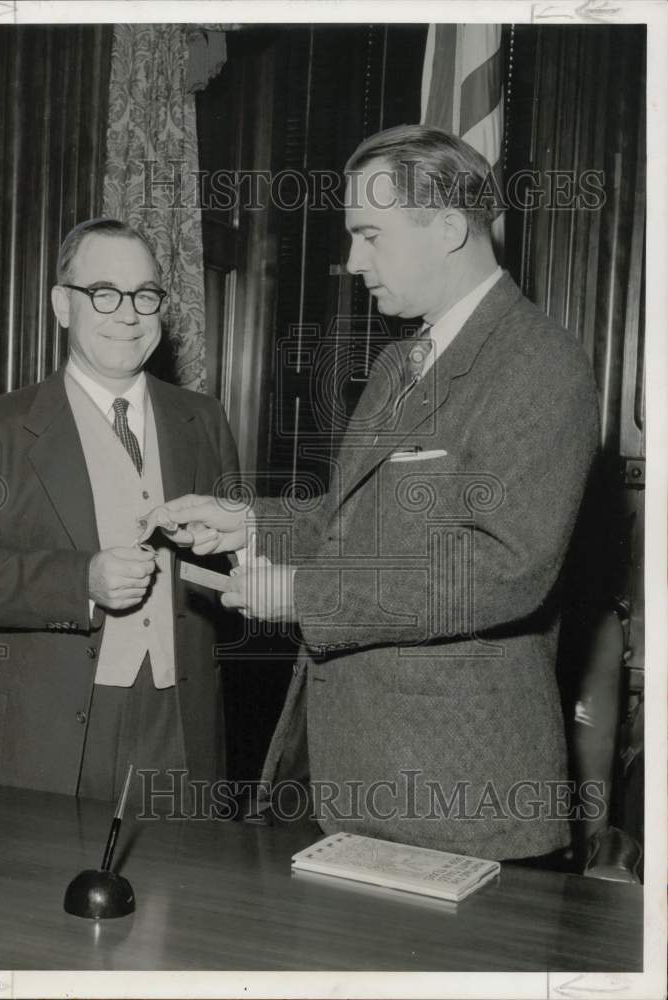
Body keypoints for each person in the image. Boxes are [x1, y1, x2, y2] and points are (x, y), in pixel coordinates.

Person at [137, 125, 600, 860]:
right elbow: (350, 520)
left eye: (370, 235)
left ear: (448, 227)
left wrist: (303, 597)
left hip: (456, 795)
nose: (352, 262)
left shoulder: (539, 364)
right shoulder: (397, 362)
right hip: (346, 773)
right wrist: (247, 523)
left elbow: (500, 570)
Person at [0, 218, 239, 804]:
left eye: (145, 295)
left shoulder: (205, 419)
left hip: (180, 725)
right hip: (39, 737)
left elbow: (229, 570)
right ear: (63, 305)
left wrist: (230, 558)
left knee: (186, 894)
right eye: (104, 294)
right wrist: (80, 582)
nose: (129, 314)